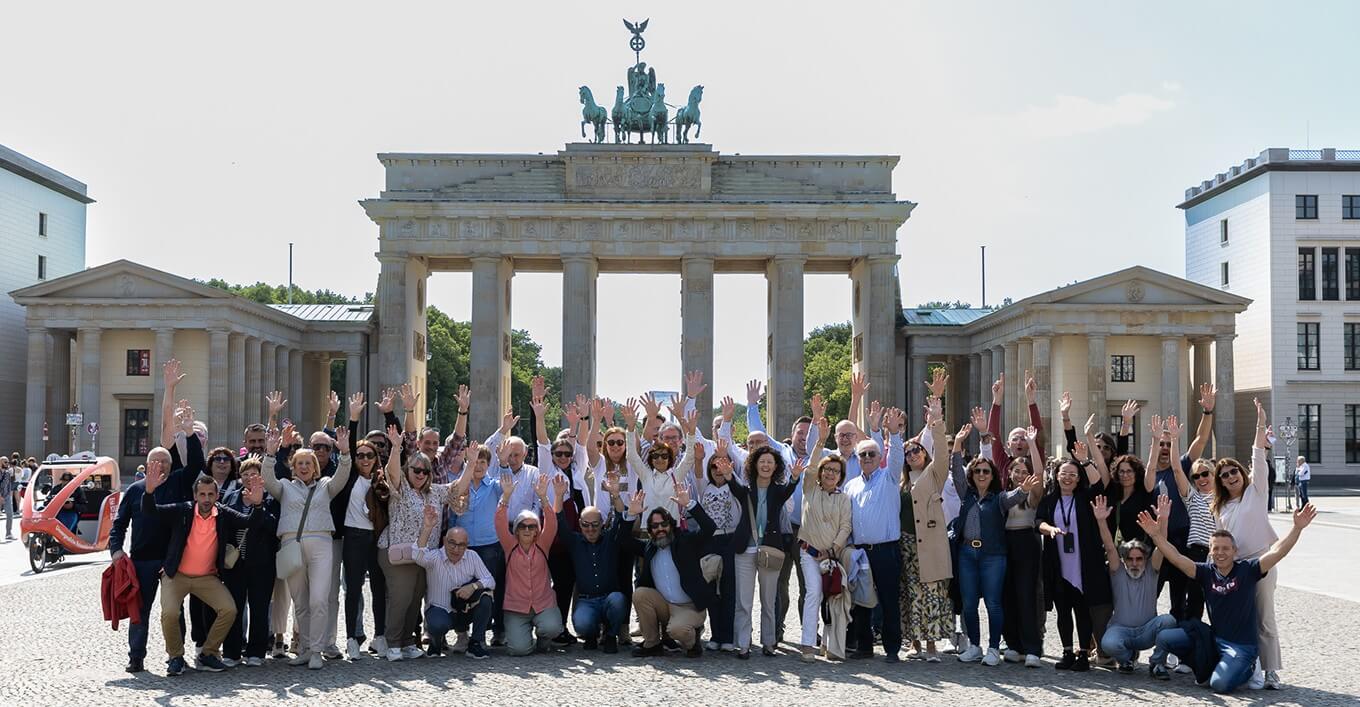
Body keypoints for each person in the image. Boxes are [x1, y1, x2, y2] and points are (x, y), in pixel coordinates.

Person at [1145, 504, 1318, 694]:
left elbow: (1277, 552)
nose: (1221, 552)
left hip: (1242, 647)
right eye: (1216, 548)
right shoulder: (1205, 572)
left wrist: (1297, 528)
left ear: (1235, 550)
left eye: (1226, 548)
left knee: (1219, 684)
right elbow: (1176, 558)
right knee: (1165, 637)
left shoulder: (1247, 570)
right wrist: (1156, 536)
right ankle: (1160, 664)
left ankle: (1250, 668)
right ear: (1210, 551)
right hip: (1214, 640)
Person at [142, 467, 265, 675]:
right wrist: (149, 492)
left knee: (229, 610)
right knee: (170, 613)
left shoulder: (223, 514)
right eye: (202, 494)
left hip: (207, 578)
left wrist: (258, 504)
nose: (206, 499)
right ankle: (176, 657)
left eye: (210, 494)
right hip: (177, 575)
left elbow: (249, 522)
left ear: (217, 496)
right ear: (195, 495)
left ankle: (208, 653)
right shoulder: (183, 510)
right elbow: (151, 512)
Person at [261, 422, 353, 669]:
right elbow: (267, 479)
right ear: (293, 467)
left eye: (308, 463)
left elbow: (342, 477)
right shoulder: (285, 488)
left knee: (319, 600)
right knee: (300, 601)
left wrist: (344, 453)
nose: (303, 467)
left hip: (322, 544)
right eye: (299, 463)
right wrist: (270, 454)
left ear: (315, 468)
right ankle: (303, 648)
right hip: (292, 545)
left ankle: (316, 651)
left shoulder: (326, 486)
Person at [952, 422, 1043, 666]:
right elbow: (957, 472)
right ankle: (974, 646)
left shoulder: (999, 498)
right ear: (972, 475)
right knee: (969, 603)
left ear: (993, 476)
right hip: (967, 553)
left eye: (986, 471)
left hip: (993, 555)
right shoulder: (966, 494)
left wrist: (1024, 489)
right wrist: (958, 444)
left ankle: (993, 647)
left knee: (994, 602)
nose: (981, 474)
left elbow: (1016, 497)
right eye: (977, 471)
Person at [1211, 399, 1284, 689]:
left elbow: (1257, 454)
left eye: (1234, 472)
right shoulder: (1220, 507)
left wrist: (1259, 421)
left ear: (1242, 473)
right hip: (1233, 568)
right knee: (1241, 620)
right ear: (1221, 481)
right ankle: (1245, 666)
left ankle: (1271, 671)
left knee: (1265, 617)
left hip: (1261, 561)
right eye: (1225, 475)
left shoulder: (1257, 490)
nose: (1230, 477)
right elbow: (1217, 543)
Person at [377, 424, 455, 662]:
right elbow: (392, 473)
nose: (420, 474)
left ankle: (408, 641)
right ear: (407, 470)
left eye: (424, 471)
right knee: (400, 598)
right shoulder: (400, 488)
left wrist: (471, 463)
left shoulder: (435, 492)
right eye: (415, 470)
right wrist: (396, 447)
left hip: (423, 554)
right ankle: (392, 642)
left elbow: (457, 488)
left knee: (414, 598)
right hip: (397, 553)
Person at [1036, 437, 1112, 672]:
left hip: (1083, 563)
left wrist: (1085, 461)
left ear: (1078, 479)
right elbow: (1038, 521)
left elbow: (1100, 486)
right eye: (1063, 474)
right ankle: (1067, 651)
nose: (1067, 478)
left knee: (1082, 610)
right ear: (1056, 476)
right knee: (1063, 611)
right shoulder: (1049, 500)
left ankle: (1083, 653)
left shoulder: (1085, 498)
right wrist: (1050, 530)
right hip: (1058, 563)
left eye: (1072, 474)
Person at [627, 480, 719, 658]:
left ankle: (693, 642)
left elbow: (709, 528)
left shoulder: (685, 542)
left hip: (690, 607)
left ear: (671, 525)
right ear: (650, 530)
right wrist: (631, 515)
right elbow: (623, 541)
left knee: (677, 630)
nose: (660, 529)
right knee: (640, 594)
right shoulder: (649, 548)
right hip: (665, 605)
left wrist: (690, 504)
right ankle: (652, 644)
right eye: (654, 526)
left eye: (664, 524)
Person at [843, 406, 906, 662]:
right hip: (861, 552)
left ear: (879, 456)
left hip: (886, 550)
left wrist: (892, 434)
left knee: (889, 600)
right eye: (863, 454)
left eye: (871, 454)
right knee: (861, 601)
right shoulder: (850, 485)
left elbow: (897, 457)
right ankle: (864, 647)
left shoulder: (890, 477)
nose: (867, 457)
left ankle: (892, 649)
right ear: (857, 459)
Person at [729, 438, 802, 657]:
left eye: (770, 462)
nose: (766, 465)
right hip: (745, 549)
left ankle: (769, 642)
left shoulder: (778, 491)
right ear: (754, 464)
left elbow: (790, 488)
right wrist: (726, 472)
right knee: (743, 600)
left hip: (770, 549)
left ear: (776, 466)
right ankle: (743, 643)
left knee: (769, 600)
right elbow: (734, 486)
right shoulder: (746, 490)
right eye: (762, 461)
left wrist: (796, 476)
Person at [1092, 494, 1177, 675]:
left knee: (1169, 622)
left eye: (1139, 559)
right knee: (1108, 644)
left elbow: (1162, 545)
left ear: (1145, 559)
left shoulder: (1151, 570)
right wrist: (1101, 521)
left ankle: (1157, 662)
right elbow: (1108, 546)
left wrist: (1163, 519)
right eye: (1130, 559)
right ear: (1124, 560)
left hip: (1147, 631)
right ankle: (1126, 660)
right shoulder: (1118, 570)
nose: (1135, 563)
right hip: (1121, 630)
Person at [109, 447, 175, 673]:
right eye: (156, 461)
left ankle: (175, 657)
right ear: (148, 466)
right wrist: (116, 550)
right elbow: (119, 524)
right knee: (140, 612)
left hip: (170, 562)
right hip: (142, 561)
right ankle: (136, 656)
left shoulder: (176, 489)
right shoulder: (135, 490)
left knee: (173, 612)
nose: (161, 465)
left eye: (165, 462)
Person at [899, 400, 954, 664]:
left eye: (916, 450)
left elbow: (943, 453)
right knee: (912, 594)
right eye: (908, 452)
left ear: (924, 453)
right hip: (907, 544)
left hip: (930, 544)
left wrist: (937, 421)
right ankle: (914, 643)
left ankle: (932, 645)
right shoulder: (901, 482)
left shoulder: (934, 474)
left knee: (931, 593)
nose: (912, 455)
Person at [336, 392, 388, 660]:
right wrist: (353, 418)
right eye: (361, 455)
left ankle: (380, 637)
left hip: (377, 538)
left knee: (379, 587)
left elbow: (400, 451)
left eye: (370, 455)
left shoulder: (382, 479)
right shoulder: (350, 478)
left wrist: (390, 415)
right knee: (353, 589)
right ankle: (351, 639)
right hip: (354, 537)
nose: (365, 459)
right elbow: (346, 450)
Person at [494, 474, 565, 656]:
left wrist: (543, 497)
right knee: (519, 650)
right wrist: (506, 497)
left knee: (552, 628)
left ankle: (543, 640)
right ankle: (524, 637)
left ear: (537, 530)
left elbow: (552, 523)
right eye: (522, 526)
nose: (527, 529)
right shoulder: (510, 546)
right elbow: (500, 522)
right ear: (516, 530)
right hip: (516, 607)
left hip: (543, 603)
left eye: (532, 526)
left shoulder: (543, 545)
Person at [412, 505, 495, 659]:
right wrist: (427, 528)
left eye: (461, 545)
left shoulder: (472, 556)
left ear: (467, 545)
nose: (456, 549)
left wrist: (473, 586)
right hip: (440, 609)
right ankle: (435, 642)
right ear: (444, 541)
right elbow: (417, 556)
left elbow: (490, 580)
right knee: (438, 624)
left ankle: (475, 643)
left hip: (464, 610)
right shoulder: (435, 556)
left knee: (486, 598)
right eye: (452, 543)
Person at [220, 455, 280, 667]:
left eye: (253, 473)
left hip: (261, 564)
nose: (249, 477)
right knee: (234, 608)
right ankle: (232, 652)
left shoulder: (271, 499)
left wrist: (259, 505)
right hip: (235, 563)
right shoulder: (230, 497)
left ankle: (256, 651)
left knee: (259, 608)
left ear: (261, 476)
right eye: (245, 474)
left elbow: (274, 528)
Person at [559, 492, 636, 654]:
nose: (590, 529)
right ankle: (591, 635)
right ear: (580, 524)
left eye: (595, 524)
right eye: (586, 524)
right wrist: (558, 495)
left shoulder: (611, 539)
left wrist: (615, 495)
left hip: (609, 597)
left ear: (602, 524)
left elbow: (621, 519)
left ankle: (610, 635)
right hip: (587, 600)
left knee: (619, 600)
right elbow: (559, 520)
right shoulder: (574, 541)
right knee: (581, 622)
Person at [452, 441, 506, 648]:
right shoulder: (459, 485)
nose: (479, 466)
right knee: (461, 590)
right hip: (462, 547)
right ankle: (461, 634)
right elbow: (453, 516)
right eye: (475, 461)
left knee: (486, 592)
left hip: (489, 547)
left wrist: (503, 463)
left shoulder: (493, 486)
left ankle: (480, 635)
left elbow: (507, 485)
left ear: (488, 464)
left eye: (483, 462)